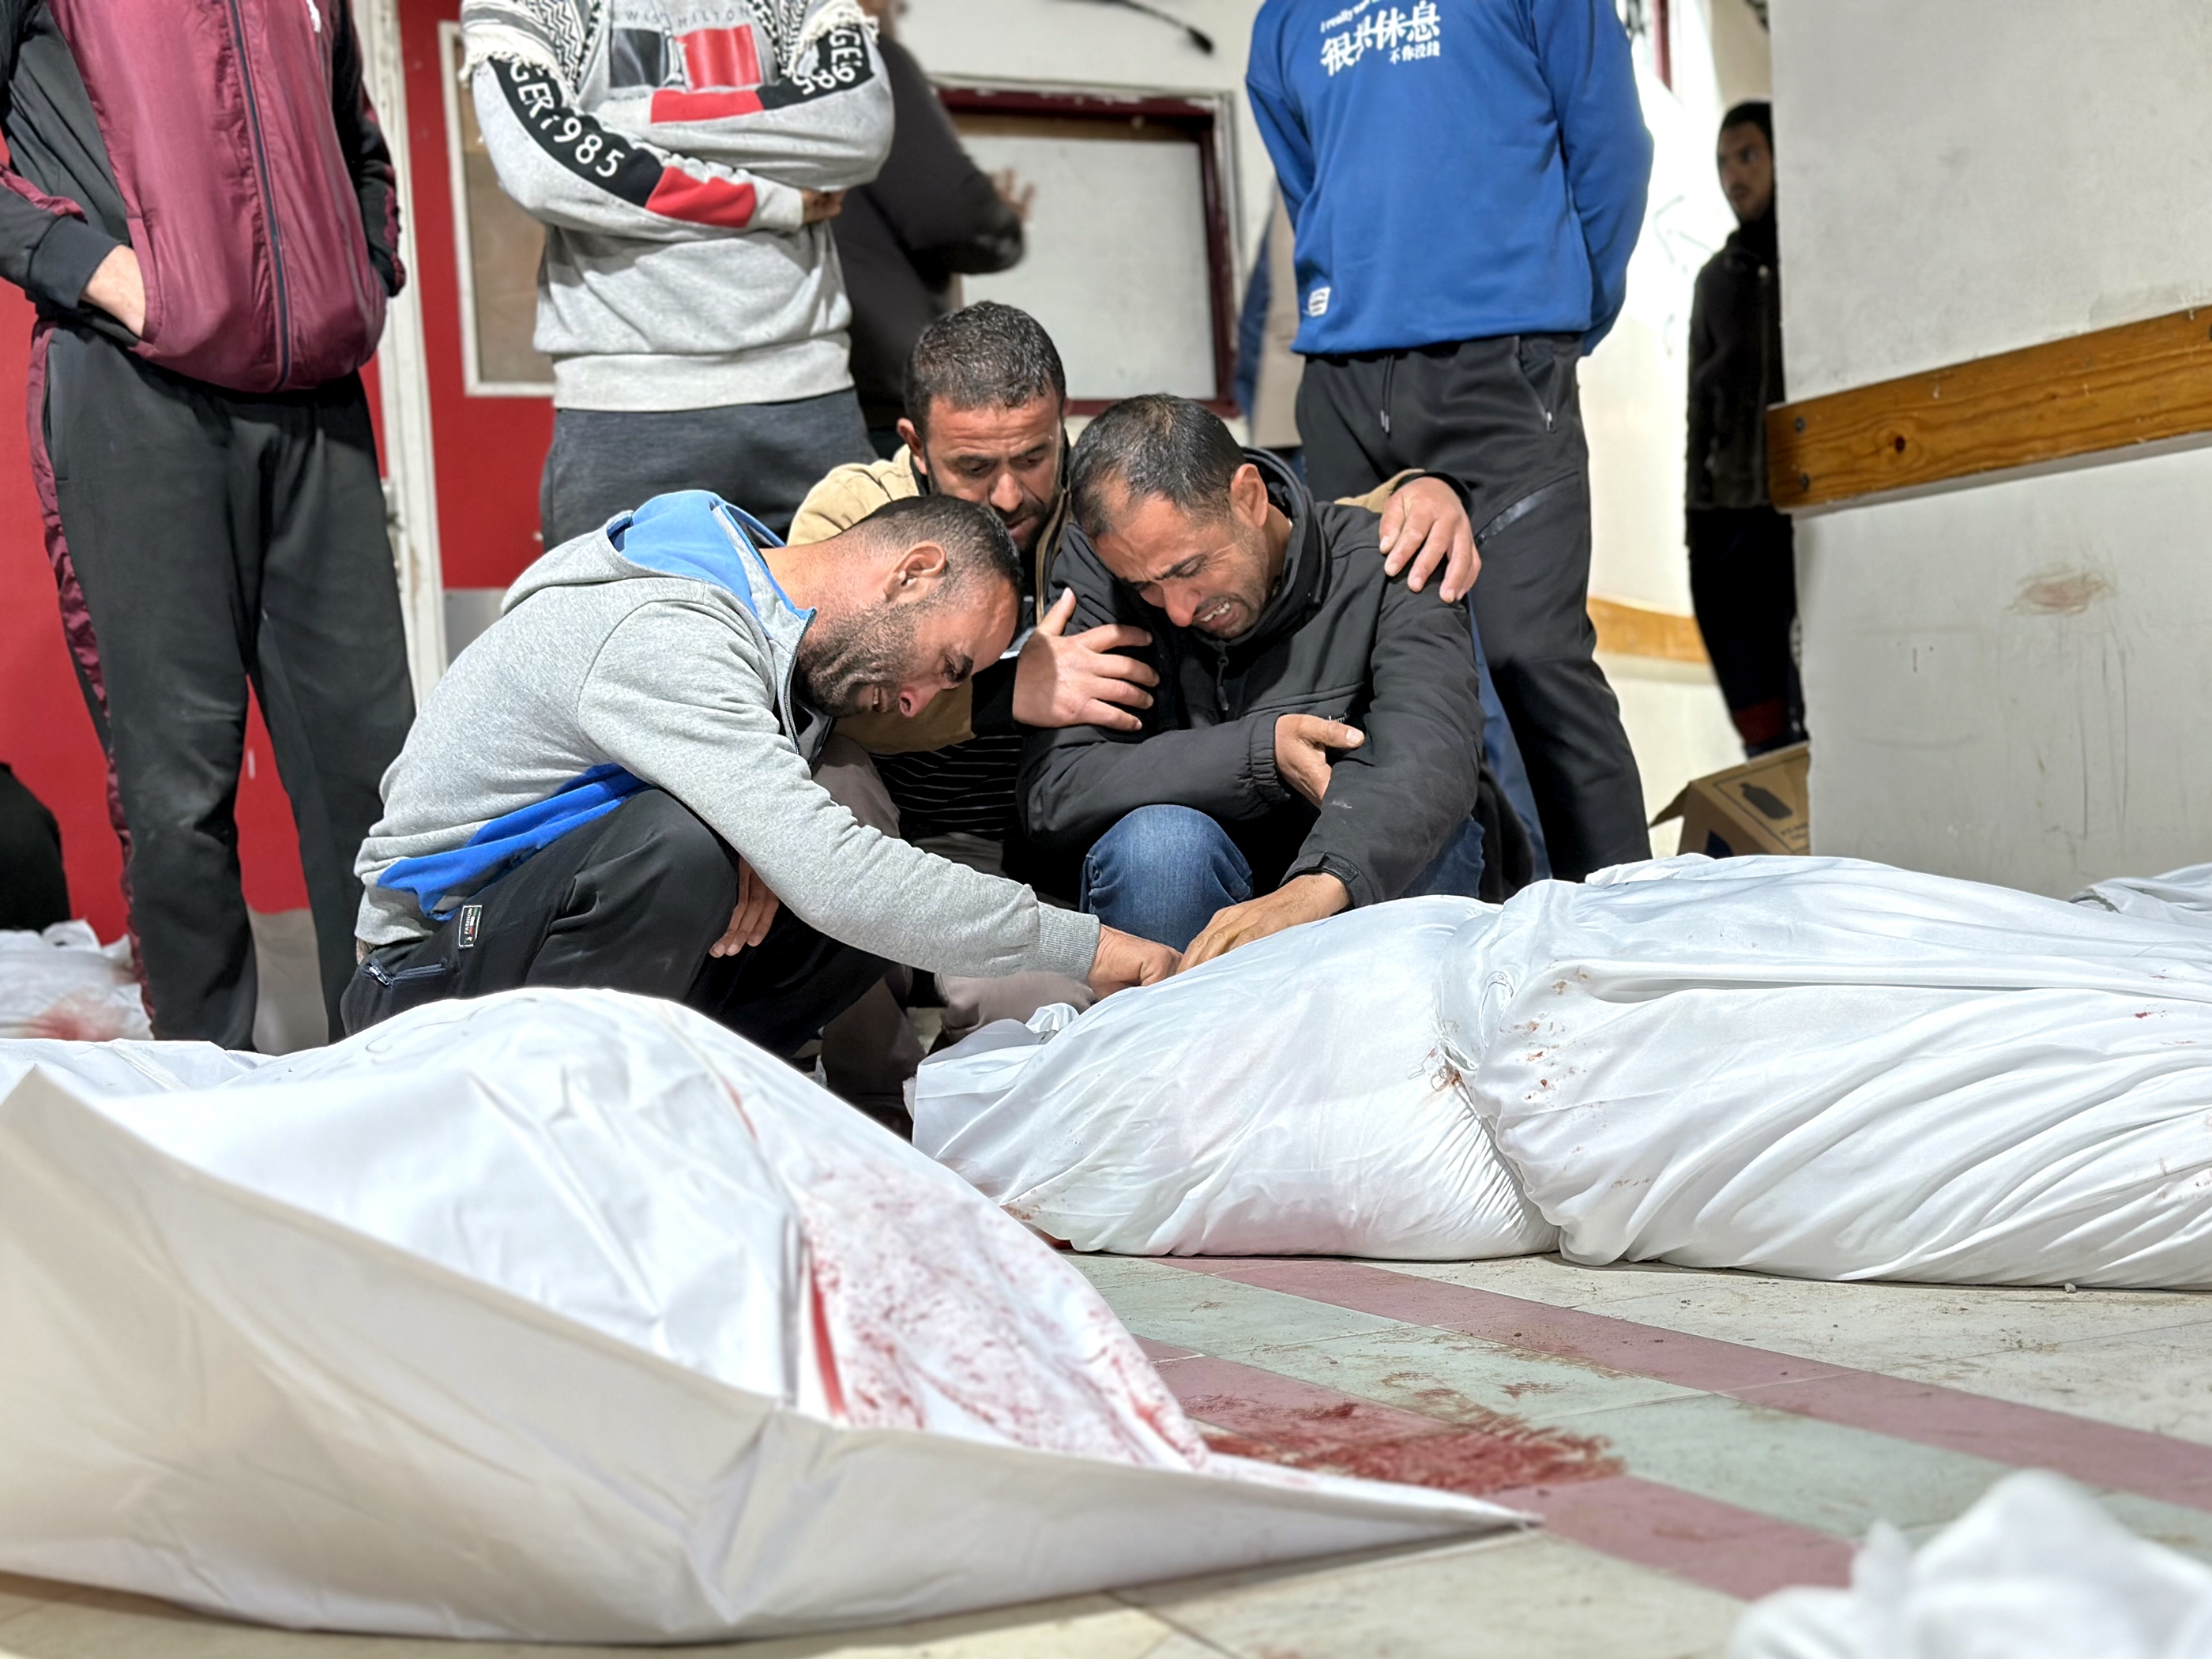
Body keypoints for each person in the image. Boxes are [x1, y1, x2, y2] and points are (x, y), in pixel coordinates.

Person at [788, 301, 1486, 1044]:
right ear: (916, 446)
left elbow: (1310, 531)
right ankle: (887, 1111)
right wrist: (1003, 691)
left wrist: (1426, 488)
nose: (1007, 494)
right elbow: (813, 693)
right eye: (973, 467)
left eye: (1031, 458)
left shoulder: (1102, 517)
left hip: (1093, 859)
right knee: (1133, 867)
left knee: (1424, 837)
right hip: (932, 835)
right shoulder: (869, 522)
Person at [344, 490, 1176, 1048]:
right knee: (694, 852)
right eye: (953, 664)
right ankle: (563, 1145)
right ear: (912, 573)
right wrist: (1094, 948)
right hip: (429, 981)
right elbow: (835, 877)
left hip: (549, 950)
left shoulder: (778, 650)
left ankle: (716, 1132)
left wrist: (774, 847)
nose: (924, 701)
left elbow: (841, 888)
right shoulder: (668, 628)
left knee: (842, 896)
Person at [0, 0, 416, 1045]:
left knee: (379, 777)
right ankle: (202, 1082)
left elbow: (356, 134)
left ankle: (398, 1065)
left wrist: (361, 276)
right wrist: (99, 273)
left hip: (319, 397)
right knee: (178, 786)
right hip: (134, 389)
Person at [1246, 0, 1655, 880]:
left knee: (1532, 659)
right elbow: (1306, 183)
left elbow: (1612, 150)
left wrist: (1563, 317)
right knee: (1367, 687)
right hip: (1344, 378)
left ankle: (1626, 921)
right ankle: (1447, 933)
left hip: (1503, 366)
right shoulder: (1283, 19)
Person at [1021, 395, 1494, 966]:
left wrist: (1317, 886)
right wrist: (1257, 755)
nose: (1175, 610)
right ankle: (1177, 1049)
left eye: (1190, 569)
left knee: (1426, 838)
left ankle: (1395, 1048)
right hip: (1199, 882)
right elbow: (1059, 789)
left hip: (1342, 868)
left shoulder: (1391, 555)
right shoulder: (1101, 572)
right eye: (1145, 587)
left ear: (1249, 496)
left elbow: (1428, 754)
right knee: (1159, 850)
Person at [461, 0, 893, 543]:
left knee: (863, 628)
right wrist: (766, 198)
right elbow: (541, 172)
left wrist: (626, 123)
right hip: (627, 406)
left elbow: (857, 126)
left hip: (808, 393)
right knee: (621, 629)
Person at [833, 0, 1026, 457]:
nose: (897, 10)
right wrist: (1000, 219)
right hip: (878, 409)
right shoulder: (862, 59)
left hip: (783, 393)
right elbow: (950, 213)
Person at [1687, 100, 1803, 756]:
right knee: (1757, 712)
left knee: (1808, 699)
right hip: (1731, 526)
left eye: (1749, 157)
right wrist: (1696, 529)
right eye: (1725, 162)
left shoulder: (1809, 264)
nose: (1735, 175)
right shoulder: (1715, 281)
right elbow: (1697, 413)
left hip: (1799, 515)